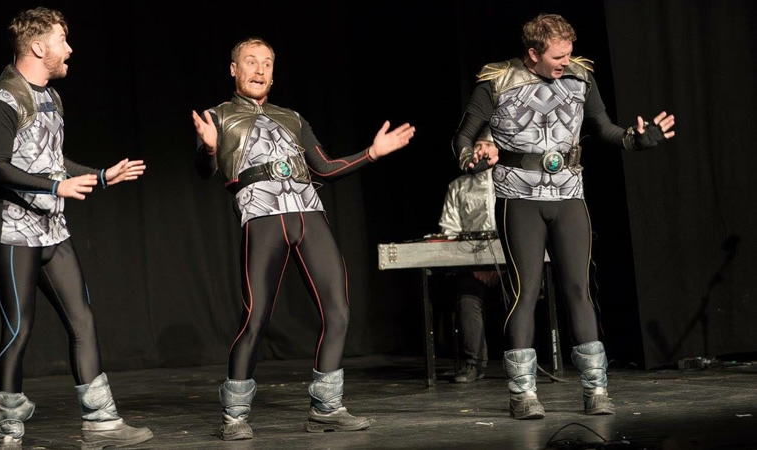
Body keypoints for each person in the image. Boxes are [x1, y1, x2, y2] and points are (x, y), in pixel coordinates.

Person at [452, 13, 675, 420]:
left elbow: (605, 129)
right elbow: (463, 137)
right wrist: (475, 158)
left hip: (570, 195)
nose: (565, 62)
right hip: (519, 197)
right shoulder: (497, 80)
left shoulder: (581, 77)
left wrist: (637, 140)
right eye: (558, 56)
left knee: (578, 289)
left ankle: (596, 390)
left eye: (569, 53)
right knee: (525, 291)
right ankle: (522, 394)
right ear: (532, 53)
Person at [192, 37, 415, 440]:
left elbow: (326, 169)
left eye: (267, 63)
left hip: (308, 211)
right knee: (256, 318)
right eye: (251, 62)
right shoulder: (218, 115)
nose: (260, 70)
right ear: (233, 69)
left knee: (339, 310)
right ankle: (235, 415)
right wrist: (209, 150)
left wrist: (373, 153)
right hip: (262, 214)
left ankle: (326, 408)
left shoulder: (292, 117)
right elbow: (204, 170)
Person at [0, 7, 153, 448]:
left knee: (83, 321)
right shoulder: (0, 100)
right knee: (19, 330)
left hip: (53, 232)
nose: (69, 49)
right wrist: (57, 185)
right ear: (38, 47)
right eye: (62, 40)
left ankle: (102, 424)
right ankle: (9, 427)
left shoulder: (52, 97)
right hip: (13, 233)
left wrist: (102, 175)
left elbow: (54, 161)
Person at [438, 126, 504, 383]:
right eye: (477, 146)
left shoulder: (512, 179)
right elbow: (450, 231)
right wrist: (476, 265)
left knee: (524, 295)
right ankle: (473, 364)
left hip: (511, 265)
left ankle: (523, 362)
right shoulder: (458, 187)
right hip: (474, 266)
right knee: (467, 299)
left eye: (487, 145)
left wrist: (503, 266)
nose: (482, 150)